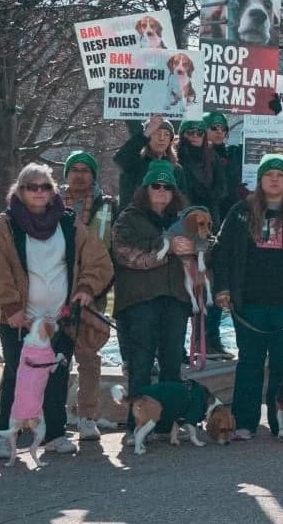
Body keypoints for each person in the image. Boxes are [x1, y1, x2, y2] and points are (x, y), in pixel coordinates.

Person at [0, 163, 113, 461]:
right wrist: (11, 307)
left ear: (53, 191)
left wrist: (87, 289)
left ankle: (54, 434)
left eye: (45, 187)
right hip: (20, 320)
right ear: (20, 191)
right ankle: (7, 434)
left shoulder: (69, 223)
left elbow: (99, 260)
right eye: (31, 187)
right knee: (17, 376)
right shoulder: (4, 226)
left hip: (59, 318)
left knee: (57, 375)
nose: (39, 192)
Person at [213, 155, 283, 441]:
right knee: (249, 362)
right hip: (250, 301)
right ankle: (244, 422)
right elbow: (223, 253)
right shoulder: (241, 211)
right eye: (269, 174)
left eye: (280, 175)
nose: (274, 179)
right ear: (260, 180)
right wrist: (223, 288)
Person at [109, 160, 192, 398]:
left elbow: (204, 251)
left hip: (176, 298)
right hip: (139, 300)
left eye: (168, 187)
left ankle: (169, 424)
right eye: (156, 185)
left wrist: (199, 247)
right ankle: (137, 426)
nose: (162, 191)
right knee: (140, 365)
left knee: (172, 363)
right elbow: (126, 254)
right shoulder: (127, 218)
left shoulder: (185, 220)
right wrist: (166, 248)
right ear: (145, 189)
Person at [58, 151, 117, 438]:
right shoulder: (51, 204)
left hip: (93, 290)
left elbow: (111, 247)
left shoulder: (106, 206)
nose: (80, 174)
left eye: (86, 170)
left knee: (88, 355)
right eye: (74, 169)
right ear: (66, 174)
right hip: (55, 290)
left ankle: (87, 416)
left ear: (94, 175)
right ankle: (53, 414)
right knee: (55, 355)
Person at [193, 113, 245, 359]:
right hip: (205, 229)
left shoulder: (234, 155)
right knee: (204, 288)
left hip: (233, 228)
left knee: (223, 287)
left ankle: (213, 339)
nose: (218, 132)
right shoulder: (195, 157)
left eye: (222, 128)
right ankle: (201, 341)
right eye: (212, 127)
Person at [113, 116, 177, 203]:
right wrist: (145, 134)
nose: (162, 138)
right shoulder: (134, 162)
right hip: (134, 215)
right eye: (156, 133)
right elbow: (120, 158)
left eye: (166, 134)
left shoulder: (176, 168)